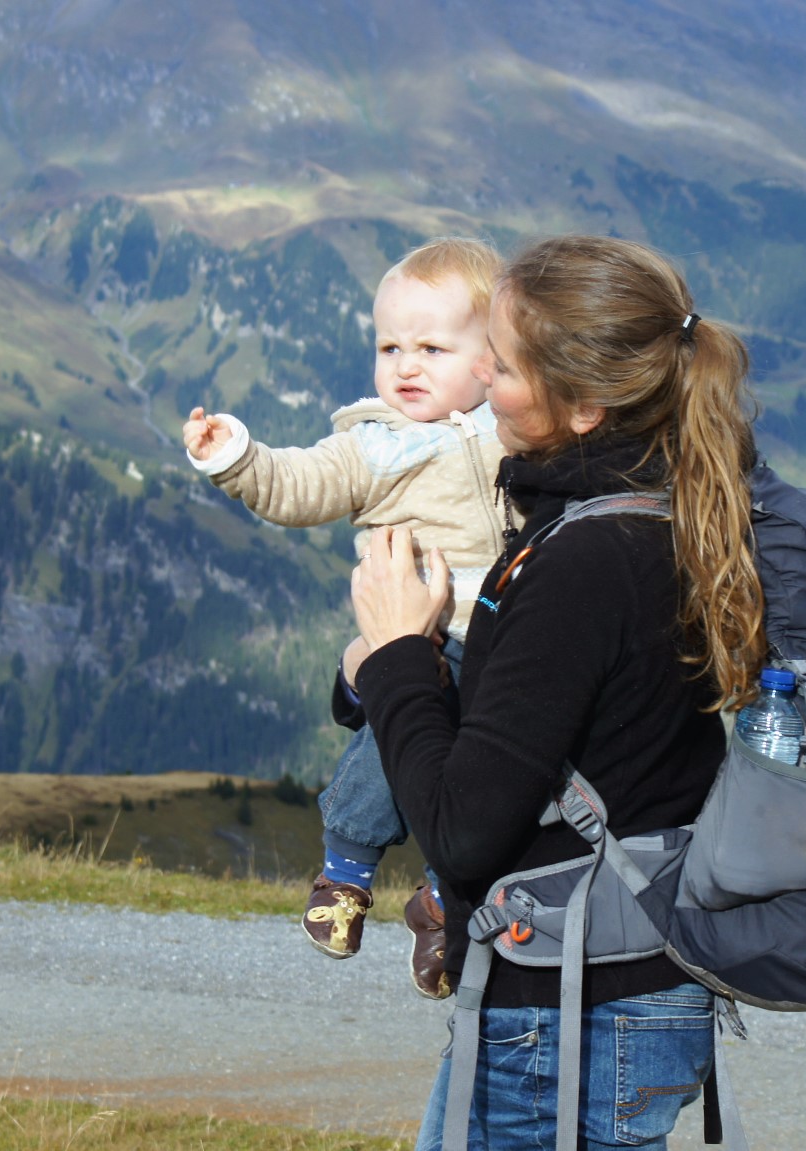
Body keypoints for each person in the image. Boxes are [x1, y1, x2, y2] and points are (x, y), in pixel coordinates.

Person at [344, 234, 765, 1150]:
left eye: (504, 365)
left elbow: (463, 832)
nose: (482, 377)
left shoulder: (579, 565)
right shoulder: (662, 514)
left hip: (567, 1014)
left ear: (581, 407)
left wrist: (396, 654)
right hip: (632, 982)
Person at [181, 237, 507, 983]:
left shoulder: (511, 431)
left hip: (511, 631)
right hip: (422, 635)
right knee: (393, 752)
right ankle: (346, 869)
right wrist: (236, 457)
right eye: (389, 346)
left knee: (507, 758)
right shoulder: (374, 445)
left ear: (493, 356)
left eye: (431, 346)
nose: (405, 365)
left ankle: (445, 901)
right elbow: (297, 483)